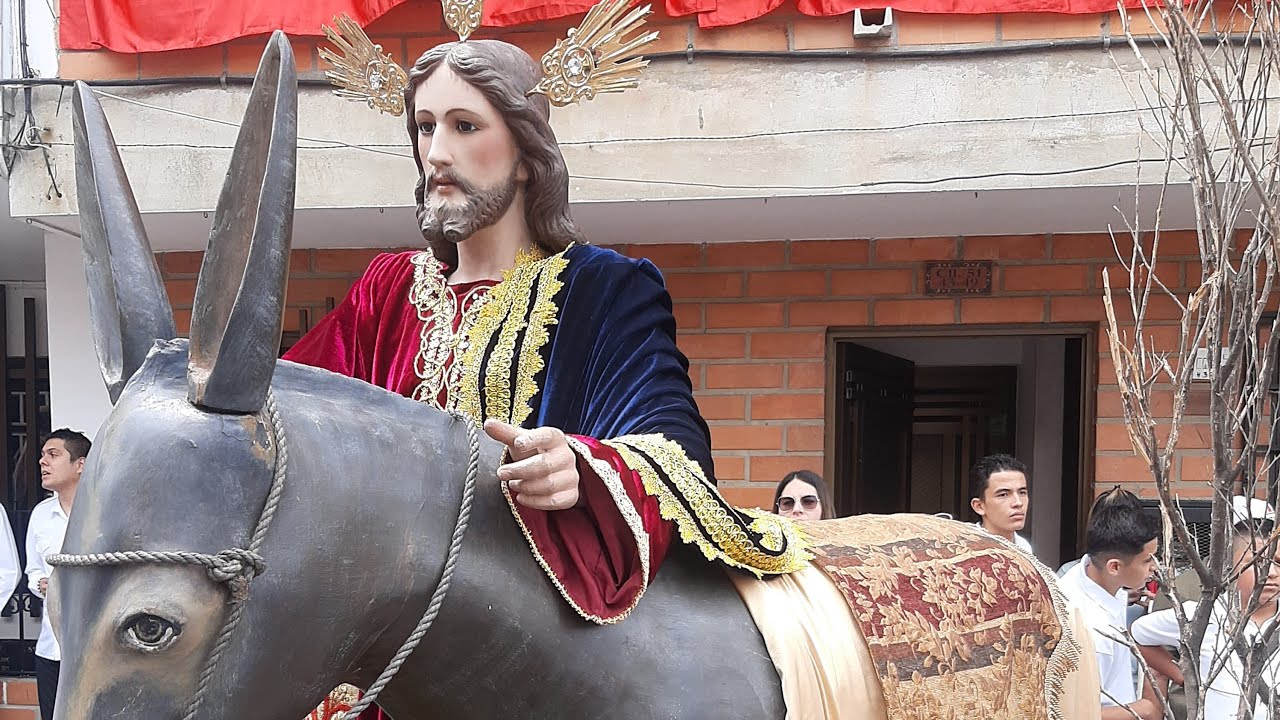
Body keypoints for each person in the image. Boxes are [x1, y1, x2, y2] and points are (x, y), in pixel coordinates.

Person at [1132, 496, 1280, 719]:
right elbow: (1138, 634)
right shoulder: (1204, 614)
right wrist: (1185, 677)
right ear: (1230, 565)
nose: (1271, 573)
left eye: (1278, 561)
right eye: (1257, 562)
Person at [1058, 487, 1162, 720]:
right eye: (1147, 561)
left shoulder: (1092, 574)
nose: (1154, 568)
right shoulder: (1091, 630)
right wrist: (1143, 709)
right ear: (1114, 566)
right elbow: (1073, 713)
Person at [25, 429, 89, 720]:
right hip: (51, 648)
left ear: (81, 464)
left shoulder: (103, 512)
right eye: (42, 455)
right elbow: (33, 568)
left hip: (94, 650)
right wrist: (40, 583)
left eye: (53, 455)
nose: (42, 461)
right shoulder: (40, 514)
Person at [968, 453, 1032, 553]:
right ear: (979, 506)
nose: (1018, 503)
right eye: (1003, 495)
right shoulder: (966, 549)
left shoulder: (1024, 546)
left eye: (1022, 492)